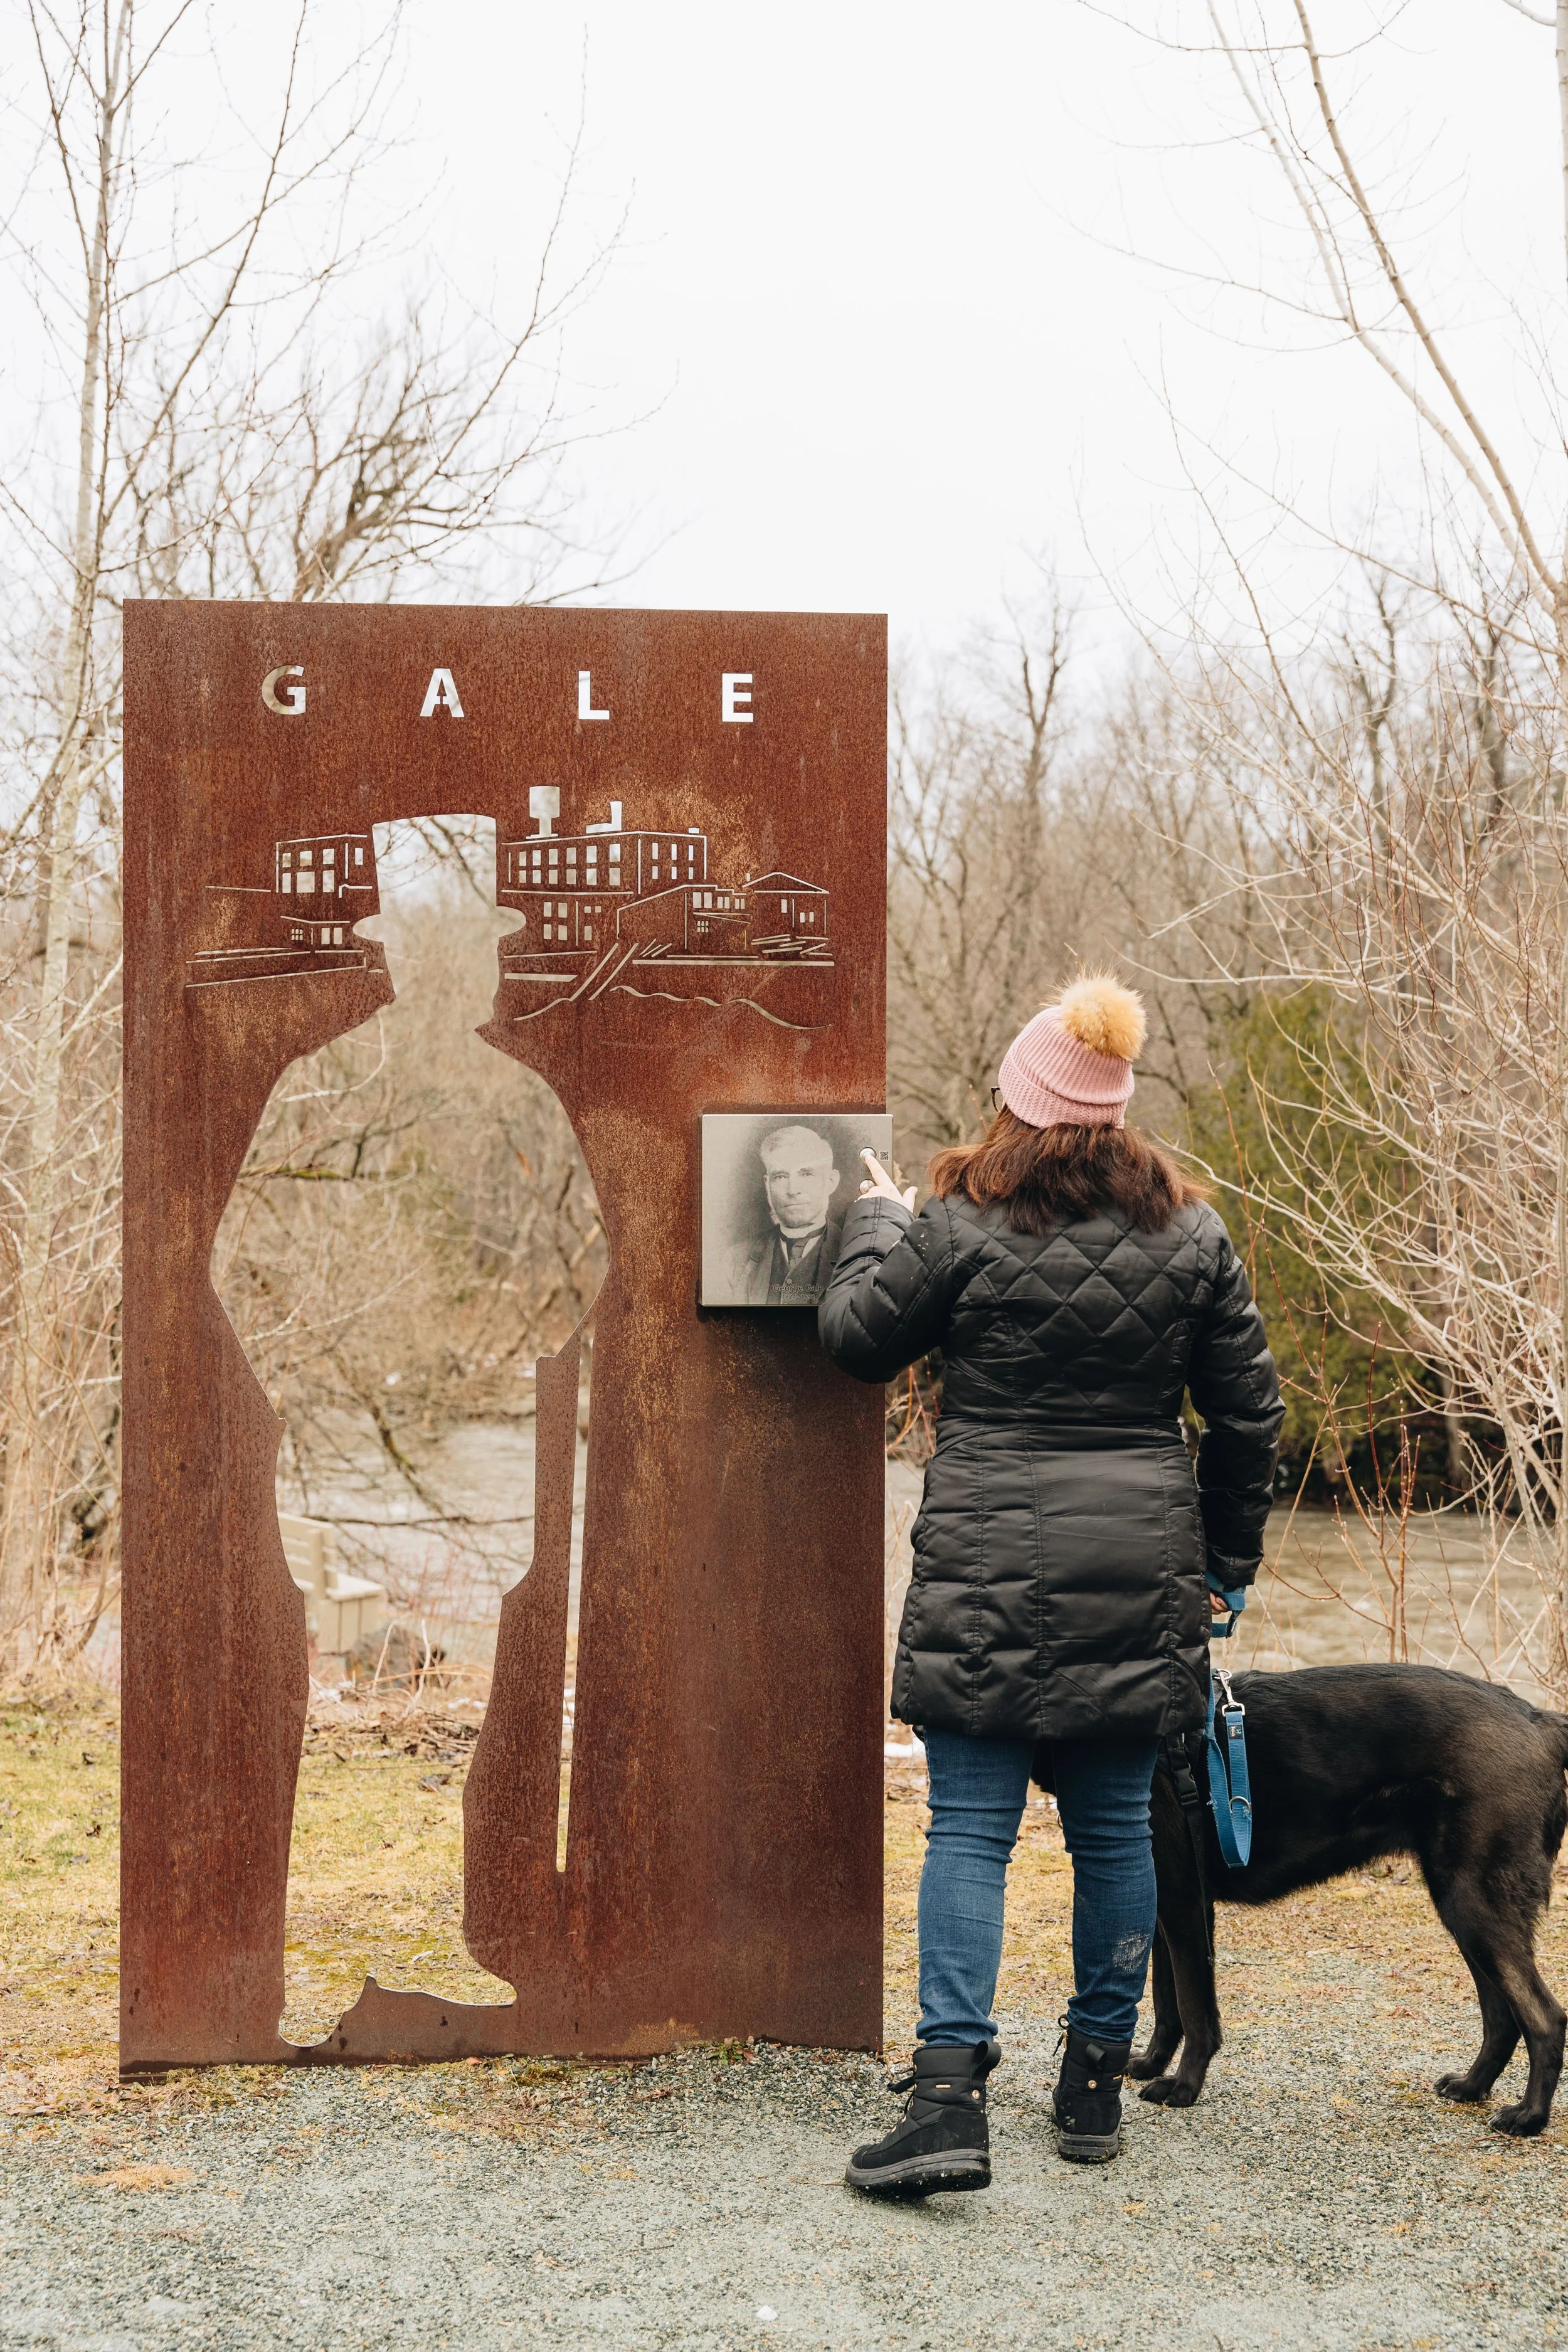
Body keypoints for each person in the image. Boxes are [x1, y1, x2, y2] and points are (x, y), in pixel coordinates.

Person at [818, 975, 1281, 2194]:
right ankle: (1088, 2092)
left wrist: (875, 1220)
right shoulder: (1192, 1234)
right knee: (1113, 1830)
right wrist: (1224, 1570)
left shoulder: (959, 1222)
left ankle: (946, 2103)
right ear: (1116, 1116)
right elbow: (1248, 1420)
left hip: (986, 1567)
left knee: (968, 1830)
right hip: (1139, 1578)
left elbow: (858, 1338)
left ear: (1018, 1106)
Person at [727, 1123, 845, 1305]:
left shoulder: (853, 1253)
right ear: (767, 1185)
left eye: (806, 1174)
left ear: (830, 1182)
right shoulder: (734, 1260)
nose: (793, 1190)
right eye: (781, 1177)